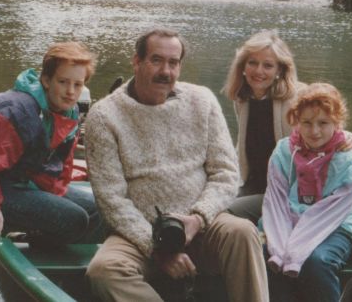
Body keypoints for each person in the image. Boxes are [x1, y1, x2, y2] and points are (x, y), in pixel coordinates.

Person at [85, 28, 269, 302]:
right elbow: (111, 200)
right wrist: (157, 249)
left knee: (242, 232)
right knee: (103, 270)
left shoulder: (202, 100)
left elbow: (226, 174)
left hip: (203, 225)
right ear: (136, 61)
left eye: (173, 62)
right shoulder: (103, 115)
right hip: (140, 233)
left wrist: (199, 217)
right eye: (156, 60)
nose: (166, 71)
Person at [0, 41, 103, 245]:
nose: (71, 92)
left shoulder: (68, 112)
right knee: (75, 219)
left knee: (98, 212)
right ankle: (20, 236)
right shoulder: (14, 110)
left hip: (19, 180)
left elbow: (60, 164)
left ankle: (48, 248)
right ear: (46, 80)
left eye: (77, 85)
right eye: (63, 82)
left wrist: (53, 199)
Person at [224, 30, 352, 223]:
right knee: (211, 202)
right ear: (243, 66)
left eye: (268, 65)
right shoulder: (242, 99)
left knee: (225, 211)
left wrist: (347, 135)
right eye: (252, 62)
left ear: (280, 70)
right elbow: (244, 146)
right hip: (254, 184)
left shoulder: (299, 97)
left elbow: (327, 126)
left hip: (288, 193)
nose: (258, 71)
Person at [262, 82, 352, 302]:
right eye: (307, 123)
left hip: (338, 223)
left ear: (336, 123)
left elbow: (331, 212)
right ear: (297, 121)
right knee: (269, 254)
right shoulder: (283, 151)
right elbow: (276, 200)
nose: (315, 131)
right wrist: (280, 248)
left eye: (323, 123)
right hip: (289, 218)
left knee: (316, 261)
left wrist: (294, 250)